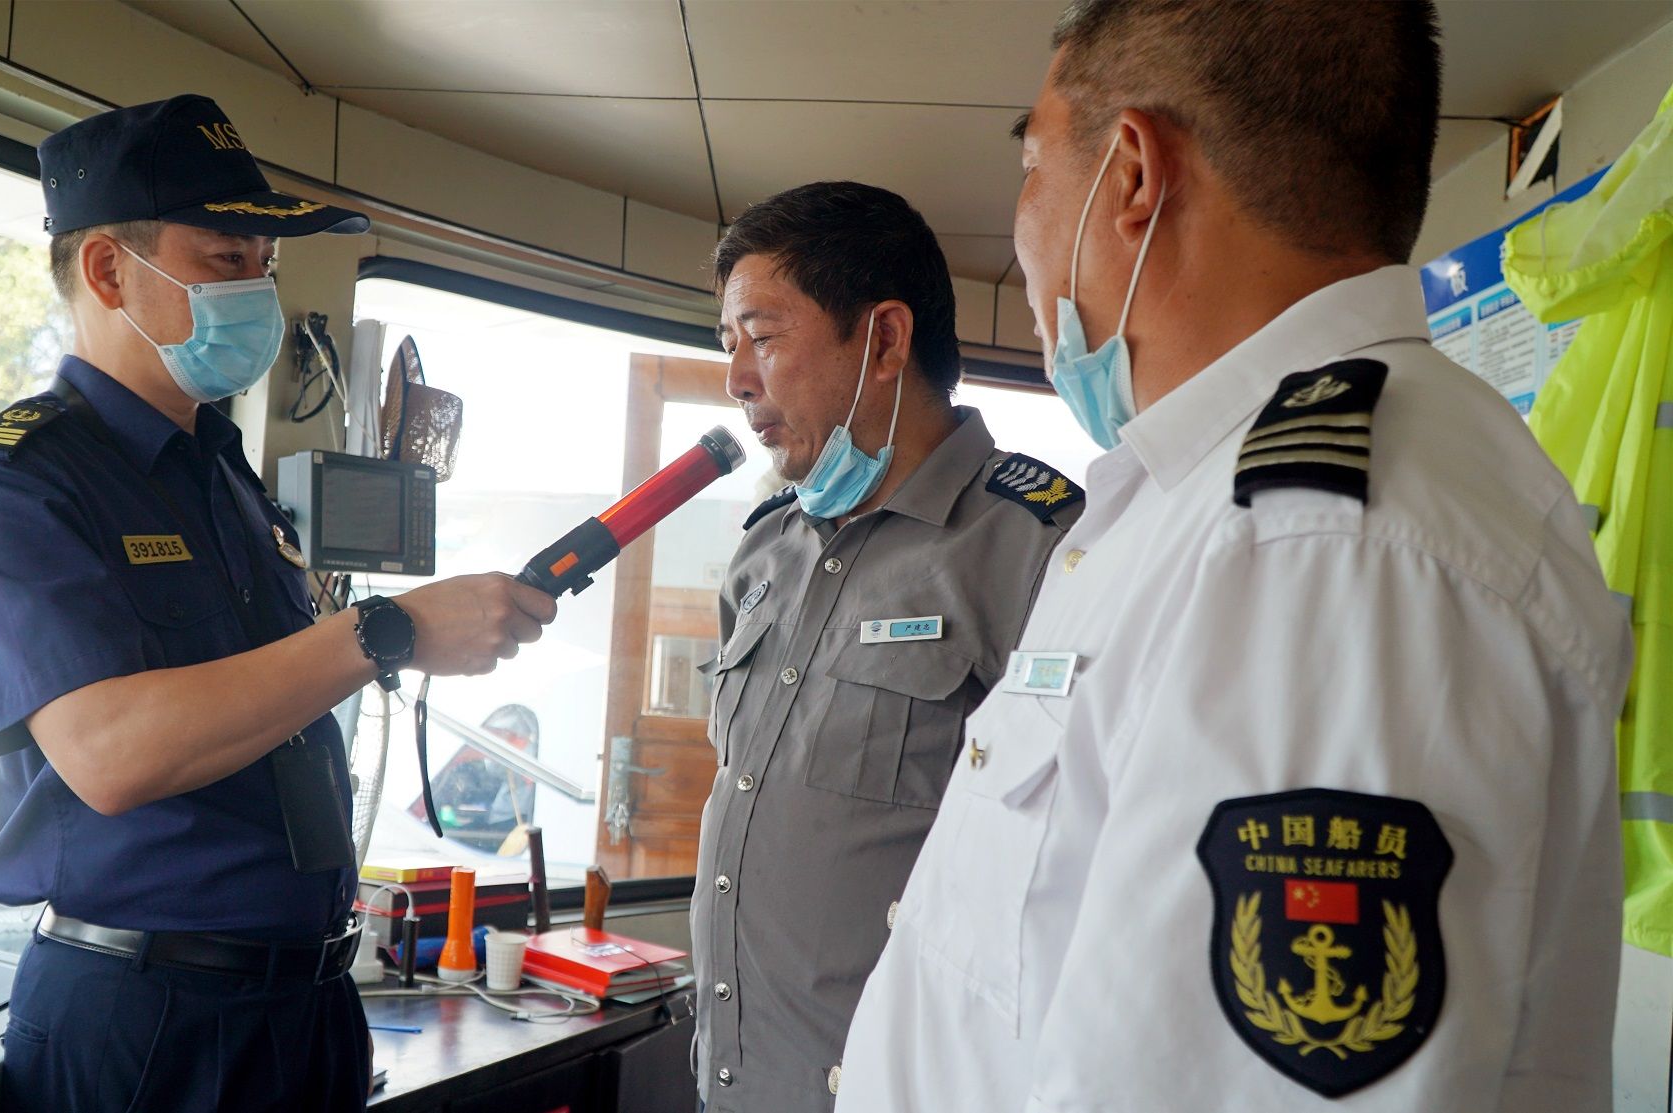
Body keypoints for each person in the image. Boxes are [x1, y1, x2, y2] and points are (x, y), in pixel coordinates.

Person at [835, 3, 1631, 1111]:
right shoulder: (1203, 506)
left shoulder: (1320, 551)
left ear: (1129, 175)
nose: (1017, 223)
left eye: (1029, 166)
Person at [0, 94, 557, 1113]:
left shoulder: (224, 473)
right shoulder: (22, 479)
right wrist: (387, 632)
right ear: (106, 270)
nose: (257, 290)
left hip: (307, 1006)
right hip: (151, 1016)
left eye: (264, 267)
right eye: (228, 260)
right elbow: (112, 753)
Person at [696, 181, 1083, 1111]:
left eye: (764, 334)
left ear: (885, 340)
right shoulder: (763, 550)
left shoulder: (1044, 547)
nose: (737, 378)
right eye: (727, 345)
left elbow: (1086, 869)